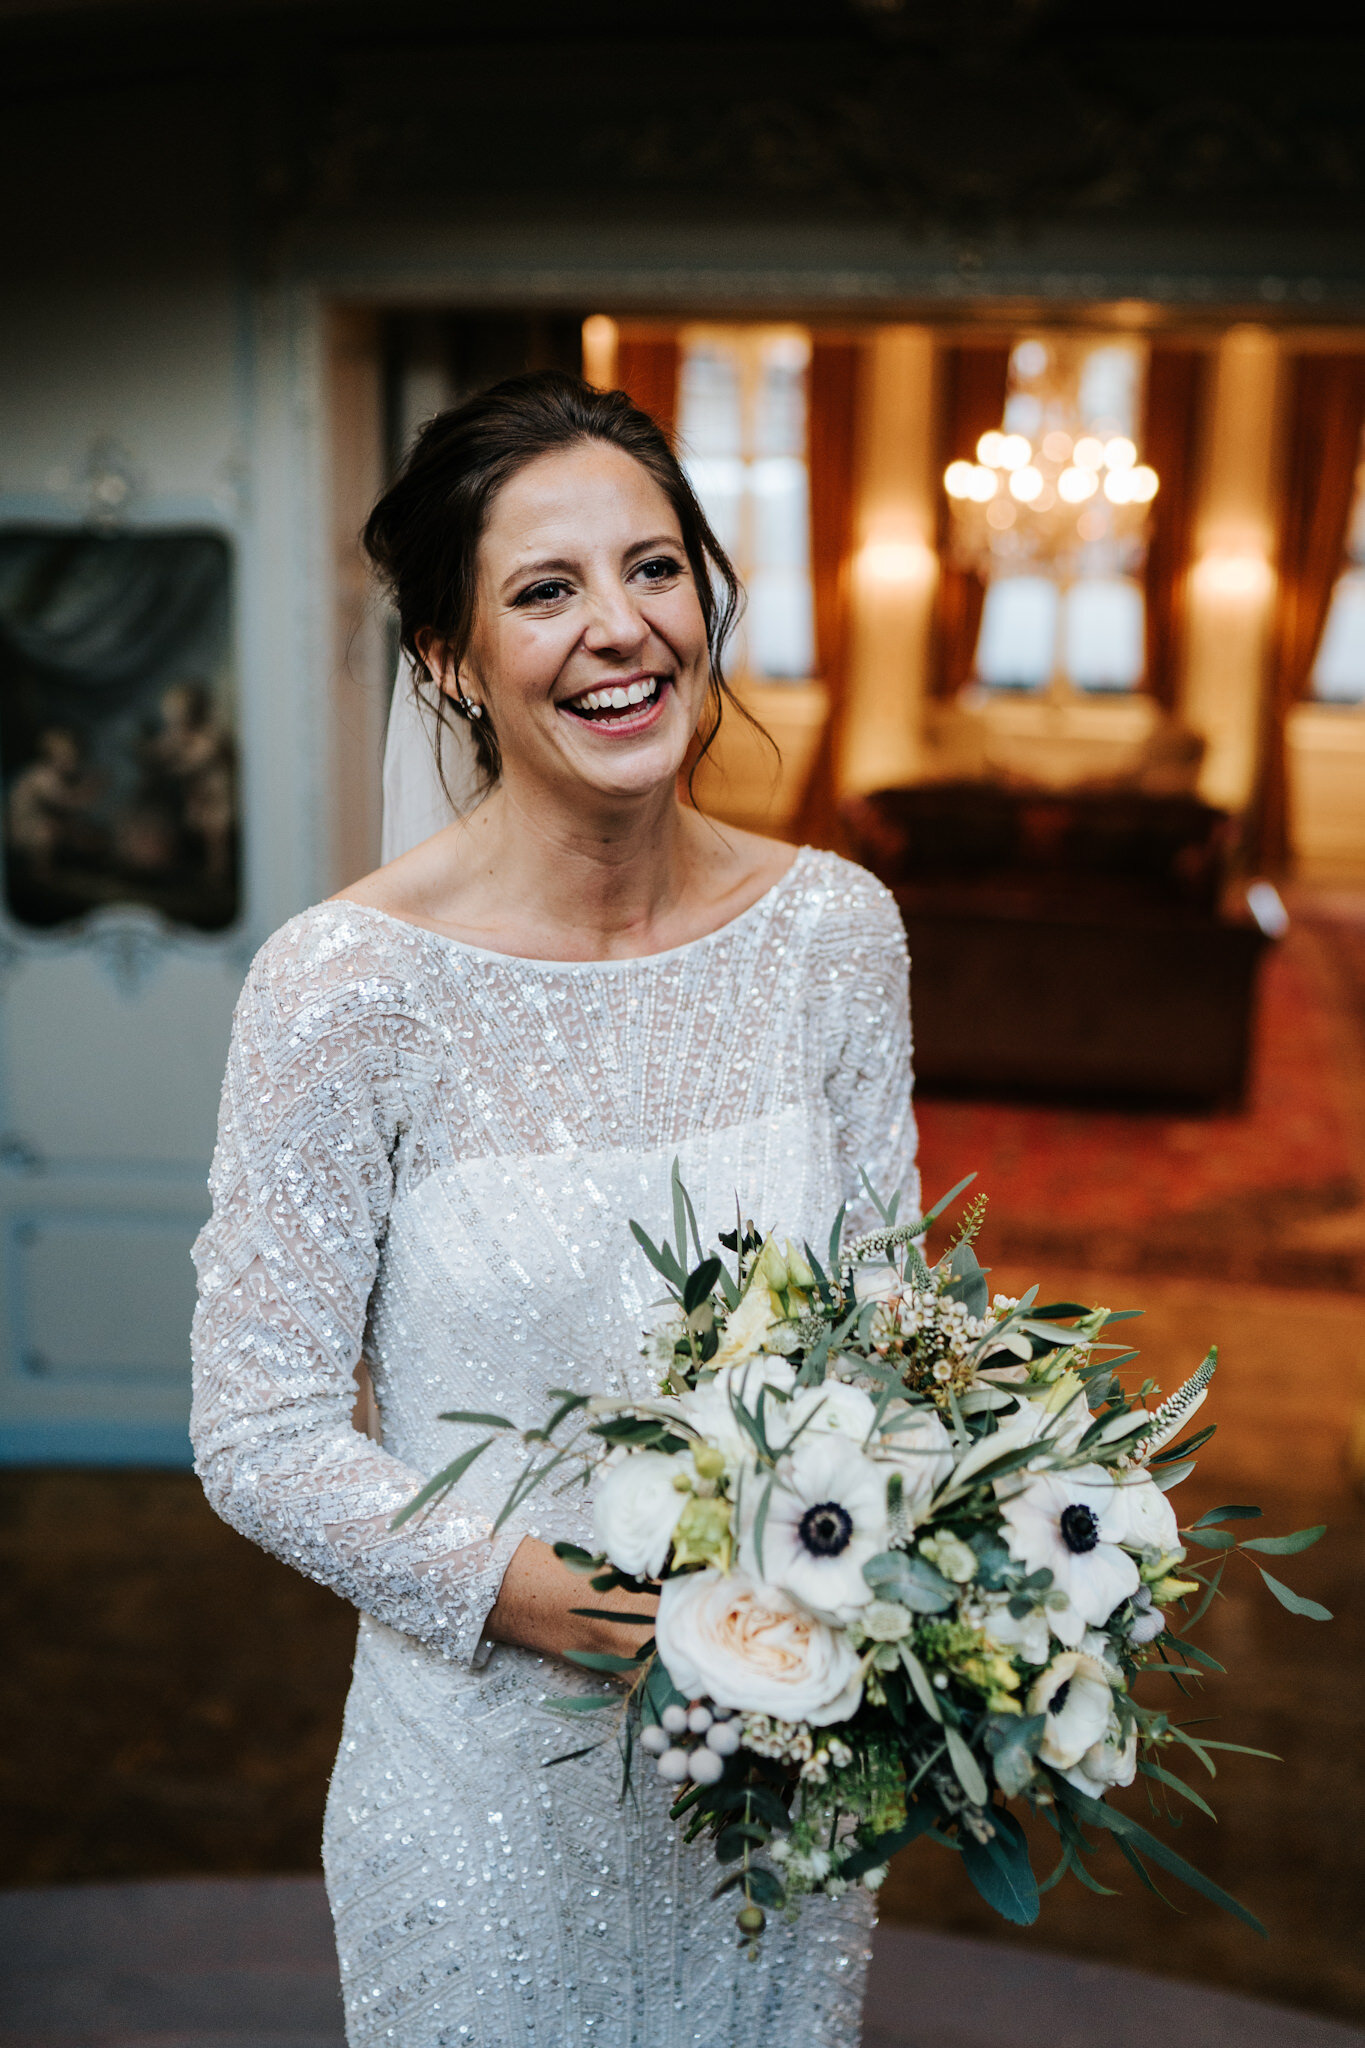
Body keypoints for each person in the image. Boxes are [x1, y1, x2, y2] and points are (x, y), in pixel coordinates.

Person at [190, 371, 917, 2047]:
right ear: (446, 659)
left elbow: (891, 1334)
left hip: (779, 1772)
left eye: (654, 568)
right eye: (545, 589)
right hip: (485, 1785)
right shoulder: (343, 990)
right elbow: (262, 1433)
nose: (621, 629)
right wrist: (569, 1606)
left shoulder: (832, 935)